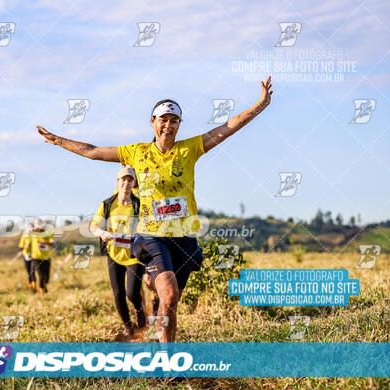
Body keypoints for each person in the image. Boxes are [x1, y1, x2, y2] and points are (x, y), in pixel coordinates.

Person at [37, 77, 273, 341]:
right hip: (152, 236)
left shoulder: (190, 149)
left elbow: (228, 127)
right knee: (169, 294)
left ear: (179, 125)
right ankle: (166, 364)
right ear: (153, 122)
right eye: (163, 119)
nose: (168, 125)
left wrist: (260, 104)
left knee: (170, 304)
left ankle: (162, 350)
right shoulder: (136, 152)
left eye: (174, 120)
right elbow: (93, 151)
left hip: (183, 237)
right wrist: (58, 140)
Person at [90, 166, 147, 337]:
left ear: (134, 183)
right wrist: (101, 233)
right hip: (114, 254)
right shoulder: (107, 204)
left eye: (130, 180)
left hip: (134, 256)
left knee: (131, 293)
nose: (126, 183)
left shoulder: (139, 205)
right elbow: (93, 226)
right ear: (118, 182)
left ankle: (139, 308)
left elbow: (148, 226)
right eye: (123, 180)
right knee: (118, 293)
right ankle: (128, 326)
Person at [25, 218, 54, 293]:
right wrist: (27, 245)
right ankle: (42, 291)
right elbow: (28, 242)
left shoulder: (48, 233)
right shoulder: (32, 234)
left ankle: (44, 285)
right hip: (36, 258)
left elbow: (52, 243)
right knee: (41, 275)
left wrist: (44, 243)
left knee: (46, 276)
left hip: (47, 257)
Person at [9, 224, 36, 291]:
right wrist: (25, 247)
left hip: (34, 256)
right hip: (26, 256)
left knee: (32, 271)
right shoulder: (24, 237)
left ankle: (34, 285)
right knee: (28, 271)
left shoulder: (35, 237)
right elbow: (21, 248)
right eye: (29, 228)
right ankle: (30, 285)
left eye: (31, 228)